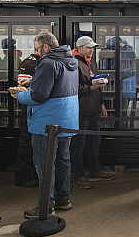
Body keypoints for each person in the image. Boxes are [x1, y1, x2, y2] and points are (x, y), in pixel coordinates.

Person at [10, 31, 78, 217]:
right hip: (67, 121)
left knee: (44, 165)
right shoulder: (70, 61)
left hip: (47, 124)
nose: (37, 52)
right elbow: (58, 84)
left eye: (37, 49)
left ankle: (45, 206)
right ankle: (63, 198)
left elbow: (38, 96)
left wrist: (19, 94)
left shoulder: (47, 62)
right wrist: (33, 80)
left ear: (46, 47)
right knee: (63, 160)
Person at [71, 36, 113, 189]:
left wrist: (101, 104)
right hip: (80, 111)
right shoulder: (73, 63)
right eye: (88, 47)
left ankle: (95, 171)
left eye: (92, 47)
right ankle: (79, 175)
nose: (91, 50)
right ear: (79, 48)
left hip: (93, 109)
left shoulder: (91, 61)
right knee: (78, 144)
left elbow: (95, 83)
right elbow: (72, 89)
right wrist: (91, 88)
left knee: (95, 141)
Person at [14, 50, 40, 188]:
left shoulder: (40, 63)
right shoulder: (29, 63)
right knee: (26, 145)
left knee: (33, 145)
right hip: (28, 112)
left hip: (35, 111)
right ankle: (22, 177)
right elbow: (22, 88)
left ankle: (33, 174)